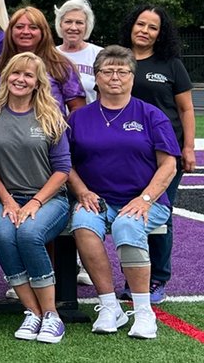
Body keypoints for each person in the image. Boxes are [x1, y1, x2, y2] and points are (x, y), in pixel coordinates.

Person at [69, 45, 178, 339]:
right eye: (107, 70)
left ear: (132, 76)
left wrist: (145, 199)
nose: (115, 76)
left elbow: (168, 164)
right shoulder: (79, 118)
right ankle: (109, 306)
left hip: (144, 201)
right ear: (97, 77)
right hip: (98, 200)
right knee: (82, 226)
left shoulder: (151, 115)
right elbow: (65, 164)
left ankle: (143, 312)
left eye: (122, 70)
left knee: (127, 225)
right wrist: (82, 192)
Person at [0, 53, 71, 344]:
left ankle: (51, 315)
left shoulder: (51, 115)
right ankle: (32, 312)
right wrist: (7, 200)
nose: (20, 79)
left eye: (28, 75)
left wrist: (35, 202)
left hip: (48, 198)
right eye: (15, 73)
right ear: (6, 77)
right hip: (6, 198)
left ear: (37, 83)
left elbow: (62, 171)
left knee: (30, 234)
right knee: (4, 234)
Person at [118, 6, 196, 302]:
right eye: (141, 24)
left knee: (160, 215)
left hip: (164, 154)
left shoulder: (170, 64)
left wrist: (187, 147)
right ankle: (133, 277)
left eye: (153, 27)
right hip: (126, 154)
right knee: (129, 212)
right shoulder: (119, 59)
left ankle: (158, 279)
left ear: (160, 34)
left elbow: (186, 108)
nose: (145, 31)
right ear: (131, 26)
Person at [0, 7, 85, 115]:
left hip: (50, 129)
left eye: (33, 27)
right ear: (10, 31)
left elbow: (78, 108)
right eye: (19, 27)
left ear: (43, 32)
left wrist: (63, 129)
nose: (25, 32)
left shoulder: (60, 65)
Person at [55, 0, 103, 103]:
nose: (73, 27)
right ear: (60, 24)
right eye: (68, 22)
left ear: (87, 26)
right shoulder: (49, 55)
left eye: (79, 23)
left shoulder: (100, 55)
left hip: (91, 118)